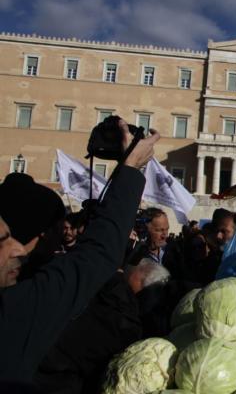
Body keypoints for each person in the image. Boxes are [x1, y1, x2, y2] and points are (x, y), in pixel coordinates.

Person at [0, 119, 159, 390]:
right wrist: (131, 168)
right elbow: (97, 255)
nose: (15, 248)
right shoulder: (18, 308)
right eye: (3, 240)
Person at [127, 208, 189, 281]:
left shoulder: (174, 252)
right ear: (144, 230)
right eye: (159, 230)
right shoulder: (133, 257)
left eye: (167, 229)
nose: (165, 236)